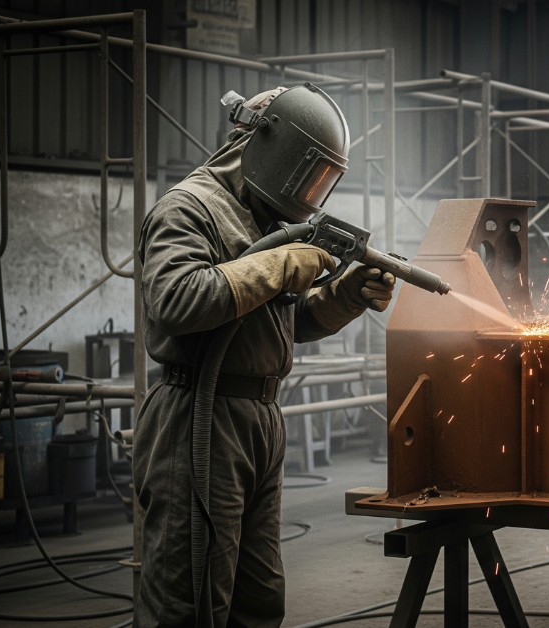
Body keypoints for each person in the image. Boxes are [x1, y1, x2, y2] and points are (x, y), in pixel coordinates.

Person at [133, 84, 392, 628]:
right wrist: (276, 266)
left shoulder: (264, 219)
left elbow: (281, 326)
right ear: (273, 149)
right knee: (191, 598)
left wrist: (344, 297)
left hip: (258, 422)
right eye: (309, 173)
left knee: (257, 599)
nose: (311, 191)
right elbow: (176, 301)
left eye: (323, 180)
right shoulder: (188, 209)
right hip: (200, 420)